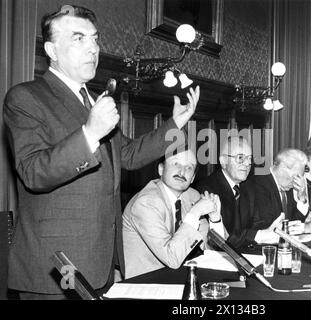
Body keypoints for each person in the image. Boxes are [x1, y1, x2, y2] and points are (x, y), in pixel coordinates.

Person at [3, 5, 200, 299]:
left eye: (94, 39)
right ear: (52, 50)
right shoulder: (26, 97)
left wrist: (176, 125)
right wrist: (90, 133)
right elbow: (33, 172)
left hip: (102, 263)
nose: (93, 48)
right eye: (79, 38)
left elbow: (130, 154)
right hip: (55, 269)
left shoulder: (95, 100)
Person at [122, 149, 224, 278]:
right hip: (145, 284)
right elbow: (172, 258)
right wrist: (195, 212)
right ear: (161, 170)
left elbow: (214, 251)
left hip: (178, 278)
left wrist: (215, 219)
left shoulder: (192, 196)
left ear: (192, 178)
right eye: (176, 164)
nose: (182, 172)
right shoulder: (146, 203)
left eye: (189, 168)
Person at [247, 148, 311, 244]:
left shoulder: (286, 186)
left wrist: (302, 198)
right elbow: (267, 225)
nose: (297, 182)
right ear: (282, 168)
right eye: (296, 176)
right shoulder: (260, 185)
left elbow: (294, 219)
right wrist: (304, 228)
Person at [195, 136, 257, 250]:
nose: (247, 163)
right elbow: (220, 238)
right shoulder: (207, 189)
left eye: (250, 158)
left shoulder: (249, 187)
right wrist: (258, 236)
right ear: (223, 161)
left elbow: (256, 224)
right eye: (240, 158)